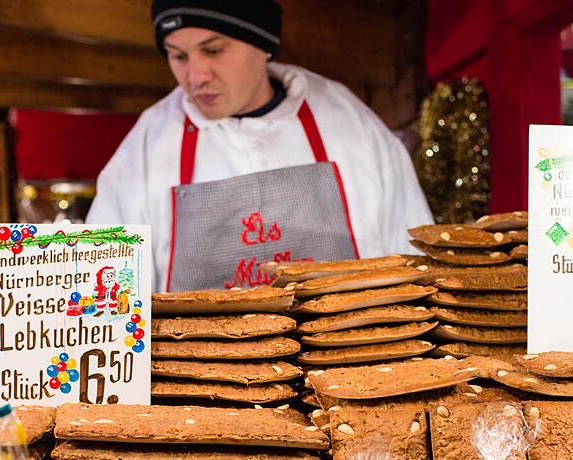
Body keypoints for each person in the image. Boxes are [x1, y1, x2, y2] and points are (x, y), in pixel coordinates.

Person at [87, 0, 434, 292]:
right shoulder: (147, 146)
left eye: (214, 50)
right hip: (203, 371)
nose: (195, 77)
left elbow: (415, 269)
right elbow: (106, 296)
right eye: (178, 56)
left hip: (347, 369)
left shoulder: (349, 123)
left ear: (262, 43)